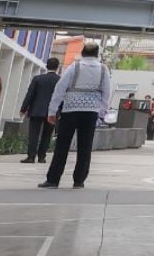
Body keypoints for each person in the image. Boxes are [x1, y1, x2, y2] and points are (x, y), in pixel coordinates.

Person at [40, 41, 113, 190]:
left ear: (83, 53)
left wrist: (52, 111)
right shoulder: (104, 70)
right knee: (85, 147)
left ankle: (53, 180)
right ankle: (79, 180)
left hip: (70, 110)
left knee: (62, 145)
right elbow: (107, 93)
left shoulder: (74, 67)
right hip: (91, 112)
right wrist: (101, 113)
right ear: (97, 54)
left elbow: (60, 89)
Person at [18, 57, 61, 164]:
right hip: (52, 112)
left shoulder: (38, 78)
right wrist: (60, 112)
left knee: (34, 134)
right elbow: (62, 97)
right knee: (47, 135)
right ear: (57, 67)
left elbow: (30, 94)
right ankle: (42, 157)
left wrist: (23, 108)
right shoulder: (60, 80)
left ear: (47, 66)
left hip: (36, 110)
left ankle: (31, 157)